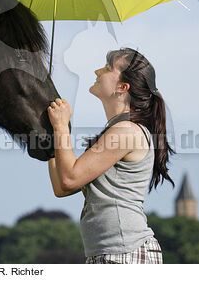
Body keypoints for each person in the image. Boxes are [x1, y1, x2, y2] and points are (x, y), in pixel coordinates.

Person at [47, 47, 175, 264]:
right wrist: (52, 136)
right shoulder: (117, 132)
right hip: (109, 253)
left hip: (125, 253)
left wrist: (61, 127)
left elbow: (69, 179)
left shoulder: (126, 132)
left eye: (107, 68)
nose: (97, 71)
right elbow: (61, 187)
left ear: (122, 87)